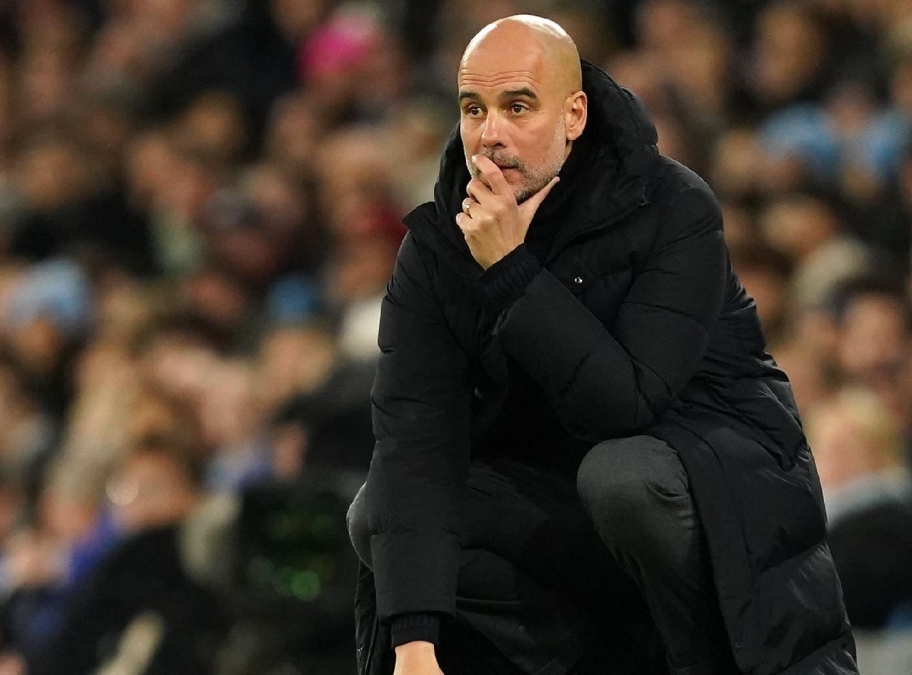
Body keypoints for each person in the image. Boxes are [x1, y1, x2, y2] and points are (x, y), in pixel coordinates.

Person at [348, 15, 857, 675]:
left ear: (575, 114)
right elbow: (412, 439)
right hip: (570, 507)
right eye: (474, 108)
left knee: (622, 478)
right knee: (379, 510)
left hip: (706, 488)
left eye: (518, 106)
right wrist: (414, 645)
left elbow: (628, 404)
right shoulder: (438, 246)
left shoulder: (673, 206)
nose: (489, 132)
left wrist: (511, 272)